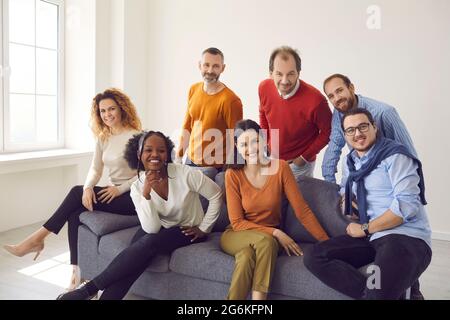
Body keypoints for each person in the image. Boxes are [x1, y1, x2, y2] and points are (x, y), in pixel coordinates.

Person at [56, 131, 223, 300]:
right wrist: (147, 194)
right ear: (139, 154)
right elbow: (152, 227)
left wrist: (204, 228)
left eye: (161, 150)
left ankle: (87, 290)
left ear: (167, 154)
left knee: (147, 243)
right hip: (158, 227)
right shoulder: (137, 187)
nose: (155, 155)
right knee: (133, 260)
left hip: (187, 230)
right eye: (148, 150)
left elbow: (216, 194)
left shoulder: (185, 173)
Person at [3, 88, 142, 290]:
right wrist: (88, 187)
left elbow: (147, 174)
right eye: (102, 111)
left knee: (76, 193)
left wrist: (120, 189)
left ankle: (36, 239)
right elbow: (95, 168)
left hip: (134, 196)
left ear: (122, 109)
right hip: (114, 193)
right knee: (75, 211)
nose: (107, 114)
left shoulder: (137, 136)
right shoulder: (104, 138)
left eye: (111, 109)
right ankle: (77, 273)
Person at [304, 108, 432, 300]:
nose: (357, 134)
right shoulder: (352, 162)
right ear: (345, 135)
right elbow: (346, 190)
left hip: (405, 237)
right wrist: (346, 203)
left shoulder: (395, 156)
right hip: (372, 237)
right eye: (350, 130)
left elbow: (407, 206)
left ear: (374, 127)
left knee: (378, 290)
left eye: (363, 126)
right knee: (314, 256)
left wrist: (364, 228)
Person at [221, 119, 329, 300]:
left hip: (264, 239)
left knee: (247, 256)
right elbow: (237, 223)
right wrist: (276, 232)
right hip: (237, 234)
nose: (251, 148)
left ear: (263, 140)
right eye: (244, 144)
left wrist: (327, 243)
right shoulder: (232, 174)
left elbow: (302, 210)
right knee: (268, 241)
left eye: (255, 141)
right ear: (237, 148)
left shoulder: (280, 168)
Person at [322, 73, 417, 183]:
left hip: (390, 178)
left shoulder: (384, 112)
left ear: (351, 88)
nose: (337, 98)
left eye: (339, 91)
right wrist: (331, 186)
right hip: (361, 177)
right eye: (331, 96)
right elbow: (334, 145)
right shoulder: (339, 112)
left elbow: (409, 154)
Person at [259, 46, 332, 179]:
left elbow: (329, 131)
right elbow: (263, 113)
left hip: (299, 164)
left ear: (298, 72)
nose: (285, 81)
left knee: (297, 199)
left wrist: (303, 158)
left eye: (291, 74)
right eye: (279, 74)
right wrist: (265, 142)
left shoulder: (316, 100)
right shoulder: (264, 87)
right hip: (271, 157)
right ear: (271, 73)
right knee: (270, 198)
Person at [177, 47, 243, 180]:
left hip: (214, 167)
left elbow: (236, 138)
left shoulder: (230, 100)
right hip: (190, 161)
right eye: (206, 65)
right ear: (199, 65)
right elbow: (187, 125)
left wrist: (227, 171)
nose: (210, 71)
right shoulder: (193, 89)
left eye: (216, 66)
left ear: (223, 68)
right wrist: (179, 156)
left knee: (200, 201)